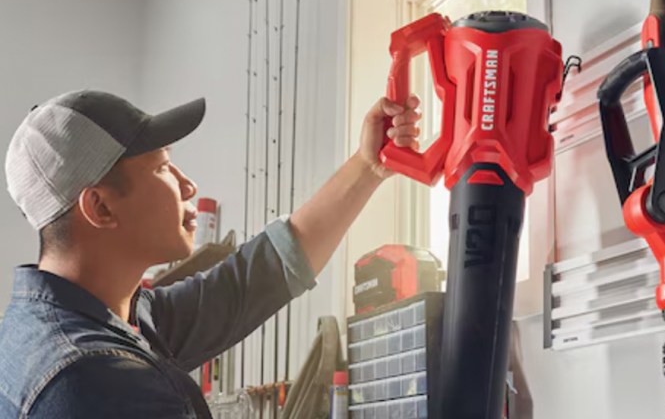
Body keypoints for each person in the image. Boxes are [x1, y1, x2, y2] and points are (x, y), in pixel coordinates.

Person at [0, 89, 422, 418]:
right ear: (101, 207)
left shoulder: (98, 319)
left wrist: (369, 166)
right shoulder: (94, 380)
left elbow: (251, 280)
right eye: (162, 167)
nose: (188, 186)